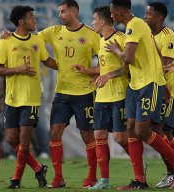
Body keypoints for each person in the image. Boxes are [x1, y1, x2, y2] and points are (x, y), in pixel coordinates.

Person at [107, 0, 174, 189]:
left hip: (149, 83)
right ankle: (140, 180)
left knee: (145, 130)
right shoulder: (136, 27)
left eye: (112, 13)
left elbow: (127, 57)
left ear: (120, 11)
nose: (111, 16)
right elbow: (148, 57)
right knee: (132, 129)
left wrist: (116, 50)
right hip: (136, 84)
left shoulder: (135, 26)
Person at [37, 0, 100, 188]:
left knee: (87, 136)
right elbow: (33, 40)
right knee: (55, 134)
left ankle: (92, 177)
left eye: (63, 11)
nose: (60, 15)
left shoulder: (90, 35)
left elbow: (106, 62)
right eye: (59, 12)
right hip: (62, 93)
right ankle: (58, 178)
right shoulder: (54, 31)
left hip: (84, 93)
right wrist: (47, 61)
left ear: (74, 12)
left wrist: (90, 72)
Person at [0, 5, 57, 189]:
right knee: (12, 139)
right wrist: (17, 69)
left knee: (24, 140)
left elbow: (47, 60)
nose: (34, 20)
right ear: (21, 21)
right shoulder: (5, 41)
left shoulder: (37, 40)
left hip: (32, 98)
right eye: (31, 17)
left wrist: (66, 67)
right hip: (12, 98)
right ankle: (38, 168)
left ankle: (16, 179)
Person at [73, 5, 130, 190]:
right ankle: (104, 180)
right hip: (101, 97)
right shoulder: (99, 41)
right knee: (99, 136)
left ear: (103, 21)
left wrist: (108, 76)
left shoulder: (121, 39)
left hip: (119, 95)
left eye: (94, 19)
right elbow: (103, 67)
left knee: (121, 139)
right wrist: (90, 72)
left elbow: (128, 66)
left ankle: (139, 165)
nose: (92, 23)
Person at [144, 2, 174, 188]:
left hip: (167, 91)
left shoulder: (168, 36)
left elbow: (165, 66)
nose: (145, 17)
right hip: (152, 89)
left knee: (159, 131)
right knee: (161, 132)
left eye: (148, 14)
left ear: (159, 17)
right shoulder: (148, 34)